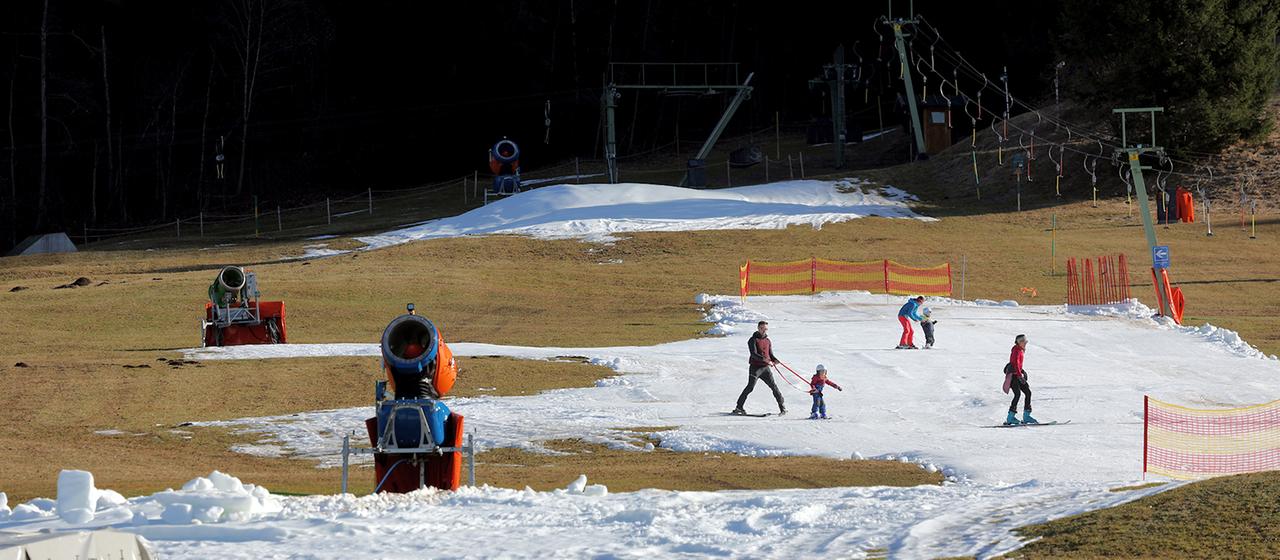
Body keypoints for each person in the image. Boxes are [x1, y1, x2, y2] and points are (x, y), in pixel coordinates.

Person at [733, 321, 787, 416]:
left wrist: (775, 360)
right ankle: (739, 407)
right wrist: (767, 361)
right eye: (762, 328)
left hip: (765, 369)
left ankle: (782, 407)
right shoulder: (752, 340)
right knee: (750, 387)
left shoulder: (767, 341)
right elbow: (754, 354)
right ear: (758, 328)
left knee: (774, 387)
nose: (764, 330)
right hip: (755, 368)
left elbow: (770, 354)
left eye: (765, 329)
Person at [1002, 334, 1037, 425]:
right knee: (1017, 394)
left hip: (1017, 375)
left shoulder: (1020, 350)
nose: (1025, 343)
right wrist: (1019, 375)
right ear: (1020, 342)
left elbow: (1017, 364)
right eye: (1024, 342)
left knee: (1028, 392)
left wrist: (1022, 371)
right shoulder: (1016, 350)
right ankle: (1010, 418)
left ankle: (1026, 416)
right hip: (1014, 376)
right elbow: (1015, 364)